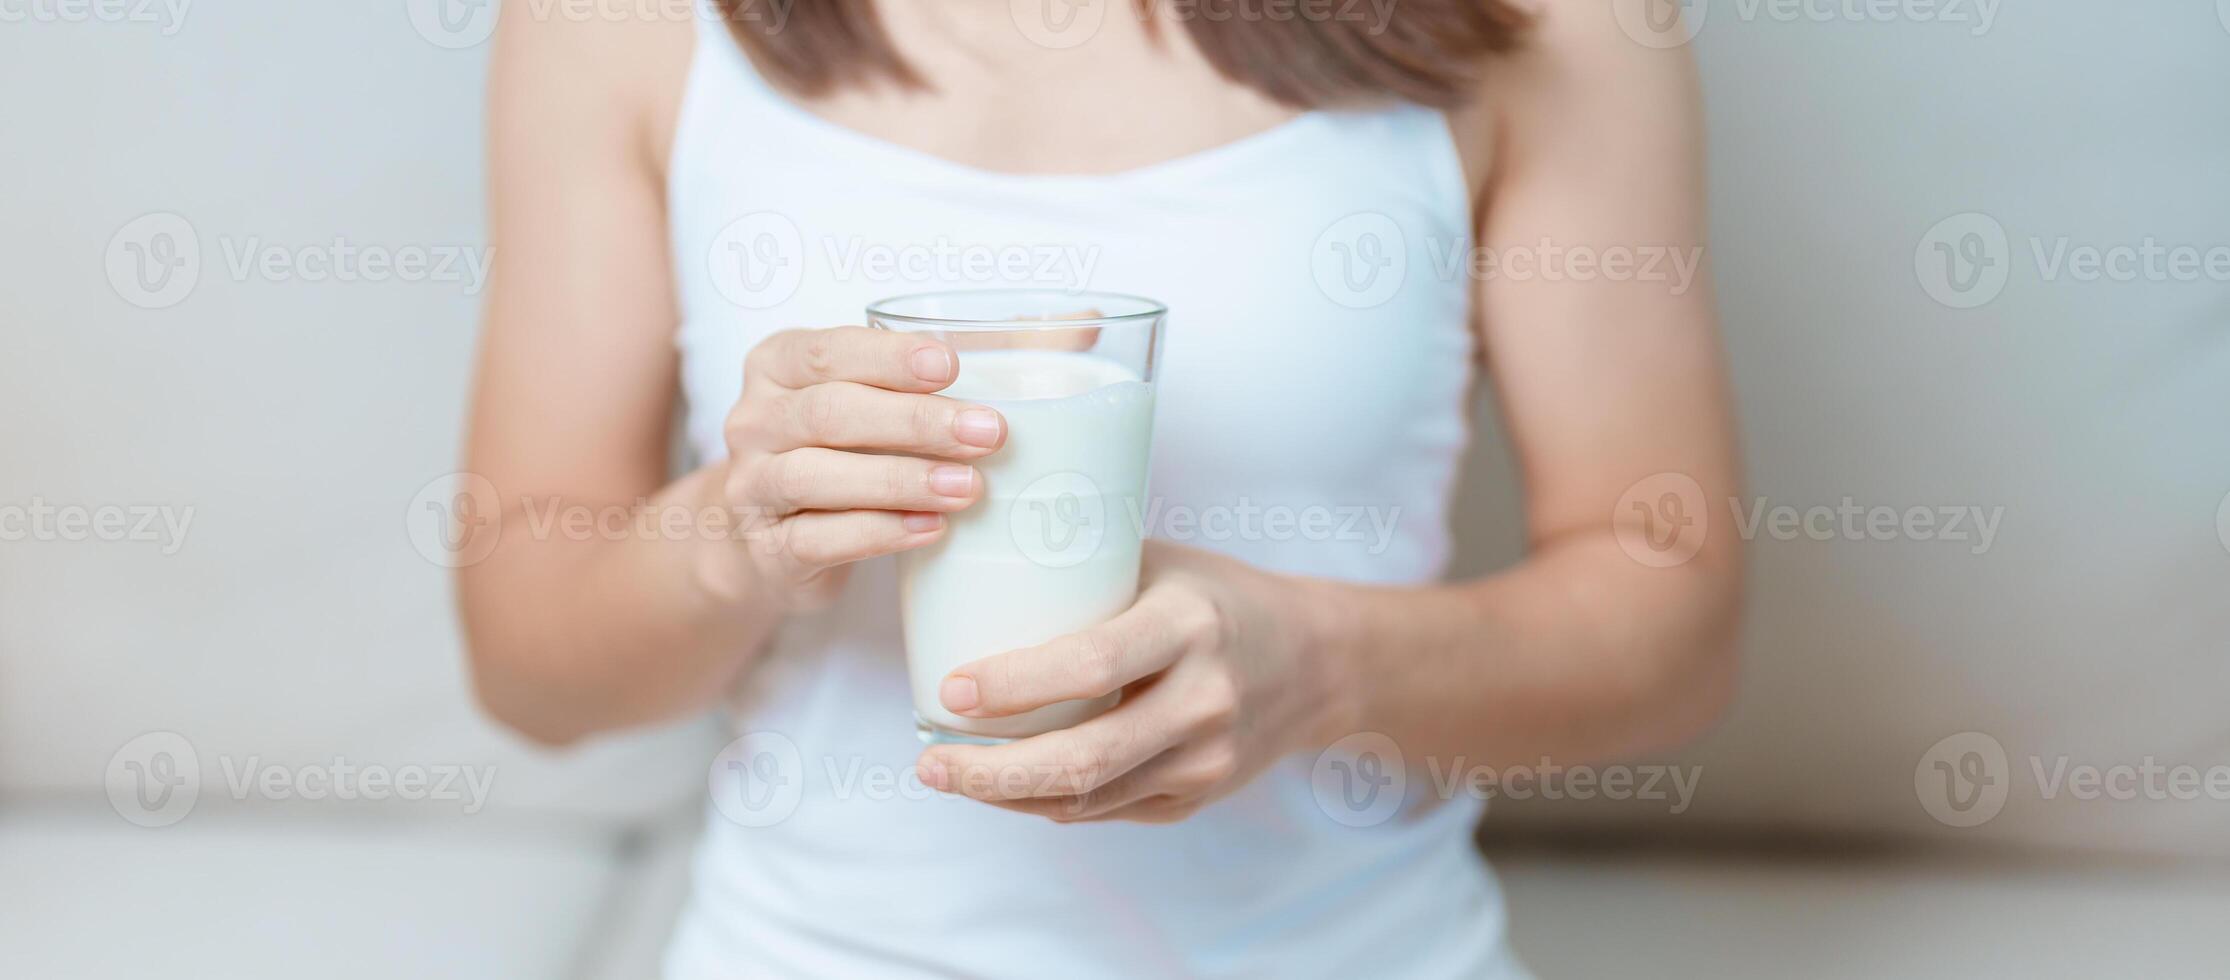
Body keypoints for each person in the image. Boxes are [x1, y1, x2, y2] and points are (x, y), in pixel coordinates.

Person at [460, 0, 1742, 975]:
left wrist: (1326, 663)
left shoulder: (1557, 24)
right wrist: (724, 542)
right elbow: (526, 668)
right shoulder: (612, 26)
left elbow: (1678, 624)